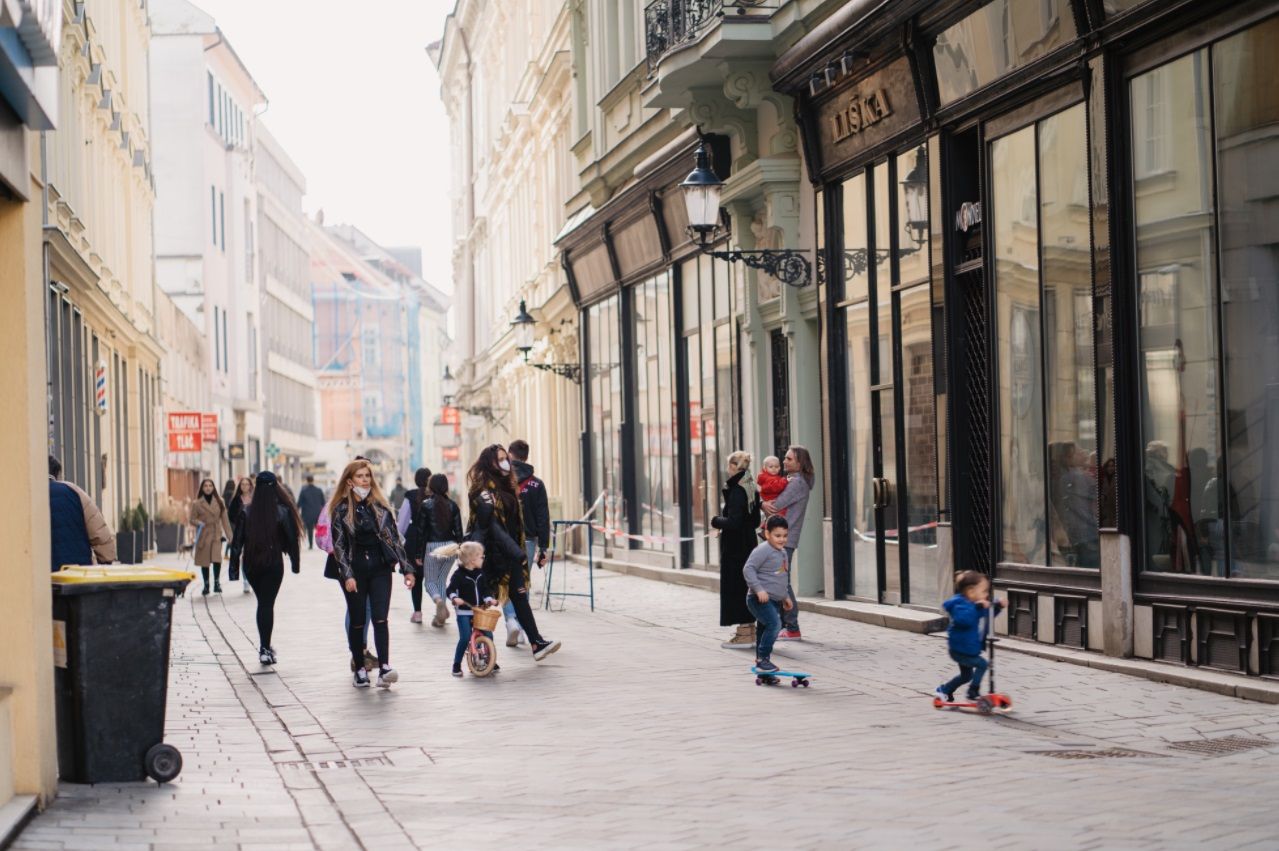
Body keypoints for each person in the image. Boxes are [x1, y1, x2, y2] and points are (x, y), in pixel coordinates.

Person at [467, 444, 560, 661]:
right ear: (490, 463)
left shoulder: (509, 487)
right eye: (500, 459)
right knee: (484, 604)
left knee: (520, 597)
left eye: (505, 458)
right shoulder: (482, 492)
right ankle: (482, 653)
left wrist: (519, 550)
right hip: (490, 556)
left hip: (511, 553)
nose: (505, 463)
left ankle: (536, 643)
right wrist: (515, 552)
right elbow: (492, 528)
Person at [329, 459, 414, 688]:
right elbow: (339, 547)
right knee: (357, 622)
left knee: (380, 618)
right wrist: (347, 575)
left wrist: (407, 569)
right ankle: (359, 668)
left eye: (367, 476)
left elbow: (394, 539)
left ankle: (385, 667)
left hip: (379, 569)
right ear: (349, 481)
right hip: (354, 570)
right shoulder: (341, 511)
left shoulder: (380, 507)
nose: (365, 480)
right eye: (360, 476)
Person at [228, 471, 302, 666]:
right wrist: (295, 564)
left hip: (251, 565)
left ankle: (265, 648)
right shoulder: (282, 511)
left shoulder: (246, 511)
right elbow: (292, 540)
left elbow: (237, 543)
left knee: (263, 603)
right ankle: (265, 648)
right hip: (273, 563)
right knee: (266, 604)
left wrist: (234, 571)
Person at [711, 451, 762, 649]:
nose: (726, 469)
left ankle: (744, 634)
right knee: (746, 585)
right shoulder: (750, 486)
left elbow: (734, 521)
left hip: (735, 547)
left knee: (737, 587)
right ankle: (749, 629)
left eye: (728, 465)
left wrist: (715, 521)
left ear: (733, 466)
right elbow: (756, 520)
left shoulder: (737, 490)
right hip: (748, 543)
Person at [763, 445, 814, 640]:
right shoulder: (793, 480)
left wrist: (762, 503)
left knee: (782, 581)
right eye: (784, 458)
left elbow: (775, 506)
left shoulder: (797, 483)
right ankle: (785, 625)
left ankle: (792, 627)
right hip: (781, 539)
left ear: (800, 463)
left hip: (784, 539)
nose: (783, 462)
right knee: (779, 580)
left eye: (789, 459)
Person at [935, 571, 1004, 704]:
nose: (987, 595)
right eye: (984, 591)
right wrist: (977, 607)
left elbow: (987, 613)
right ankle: (973, 692)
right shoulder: (959, 604)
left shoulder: (973, 604)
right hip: (960, 649)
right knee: (982, 665)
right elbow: (963, 620)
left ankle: (944, 690)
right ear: (971, 591)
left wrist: (998, 606)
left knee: (966, 676)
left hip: (966, 648)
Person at [507, 440, 549, 647]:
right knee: (523, 582)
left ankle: (511, 621)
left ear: (510, 454)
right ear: (526, 456)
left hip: (506, 538)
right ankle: (524, 629)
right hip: (529, 539)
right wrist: (544, 547)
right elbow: (543, 517)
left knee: (506, 581)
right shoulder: (537, 484)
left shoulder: (503, 480)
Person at [410, 473, 463, 628]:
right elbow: (459, 531)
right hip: (450, 547)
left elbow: (421, 532)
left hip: (433, 547)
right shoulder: (453, 505)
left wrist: (418, 554)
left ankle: (439, 602)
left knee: (429, 583)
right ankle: (440, 617)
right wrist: (460, 549)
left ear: (430, 487)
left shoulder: (426, 505)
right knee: (440, 580)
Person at [743, 516, 795, 674]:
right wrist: (759, 589)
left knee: (764, 628)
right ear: (767, 534)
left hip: (774, 600)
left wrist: (785, 596)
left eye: (785, 536)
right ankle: (763, 660)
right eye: (777, 536)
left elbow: (781, 576)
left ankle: (761, 662)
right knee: (775, 624)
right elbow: (748, 569)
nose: (782, 539)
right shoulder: (763, 550)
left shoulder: (783, 553)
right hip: (758, 598)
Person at [48, 455, 115, 571]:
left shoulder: (29, 497)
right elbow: (99, 531)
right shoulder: (74, 492)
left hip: (43, 573)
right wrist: (106, 560)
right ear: (57, 473)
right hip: (77, 572)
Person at [446, 541, 496, 677]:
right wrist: (454, 597)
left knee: (488, 634)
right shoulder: (459, 575)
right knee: (465, 637)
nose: (483, 559)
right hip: (464, 611)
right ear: (472, 559)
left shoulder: (480, 573)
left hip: (479, 611)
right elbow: (449, 589)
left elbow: (485, 590)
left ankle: (490, 658)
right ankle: (456, 664)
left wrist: (489, 599)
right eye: (481, 557)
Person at [398, 467, 432, 622]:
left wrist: (400, 538)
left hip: (413, 539)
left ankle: (417, 612)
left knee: (416, 577)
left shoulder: (410, 496)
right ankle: (440, 605)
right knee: (434, 577)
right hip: (432, 539)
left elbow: (403, 520)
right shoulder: (436, 495)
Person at [190, 478, 233, 595]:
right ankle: (206, 585)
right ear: (202, 488)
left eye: (210, 486)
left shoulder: (220, 501)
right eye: (205, 486)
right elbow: (192, 519)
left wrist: (230, 536)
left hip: (216, 534)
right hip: (204, 535)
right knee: (205, 561)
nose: (208, 488)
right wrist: (199, 523)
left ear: (213, 488)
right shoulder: (197, 503)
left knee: (216, 559)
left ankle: (217, 583)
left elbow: (225, 520)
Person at [227, 476, 255, 594]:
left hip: (254, 531)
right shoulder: (236, 499)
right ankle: (246, 580)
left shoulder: (256, 498)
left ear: (250, 486)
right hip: (241, 531)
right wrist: (239, 523)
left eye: (246, 484)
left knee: (254, 556)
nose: (244, 486)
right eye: (242, 484)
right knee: (243, 556)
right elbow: (231, 516)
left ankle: (254, 579)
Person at [756, 455, 788, 534]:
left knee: (775, 517)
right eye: (771, 467)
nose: (774, 469)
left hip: (774, 500)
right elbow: (775, 487)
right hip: (772, 500)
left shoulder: (773, 477)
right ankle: (766, 529)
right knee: (778, 517)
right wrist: (785, 480)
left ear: (780, 467)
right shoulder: (766, 478)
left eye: (776, 466)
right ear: (765, 468)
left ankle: (766, 528)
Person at [297, 476, 326, 550]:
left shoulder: (303, 491)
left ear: (307, 481)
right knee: (320, 529)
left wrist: (296, 510)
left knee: (309, 530)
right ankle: (322, 543)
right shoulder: (319, 490)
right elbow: (323, 503)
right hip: (317, 513)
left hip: (307, 514)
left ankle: (311, 545)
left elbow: (299, 503)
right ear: (313, 480)